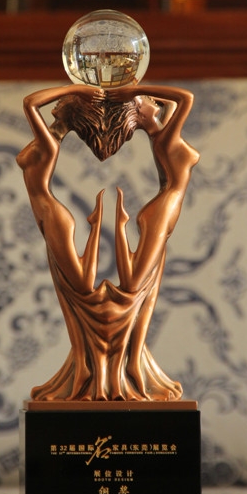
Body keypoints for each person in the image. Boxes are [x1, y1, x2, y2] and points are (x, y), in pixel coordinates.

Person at [16, 83, 199, 401]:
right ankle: (106, 365)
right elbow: (30, 103)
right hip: (64, 212)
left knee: (129, 286)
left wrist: (127, 93)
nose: (154, 103)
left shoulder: (164, 136)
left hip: (156, 209)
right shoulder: (48, 141)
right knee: (92, 289)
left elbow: (181, 101)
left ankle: (124, 363)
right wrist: (115, 92)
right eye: (148, 102)